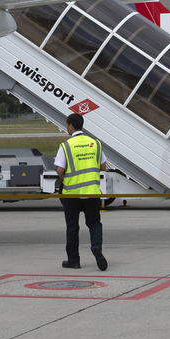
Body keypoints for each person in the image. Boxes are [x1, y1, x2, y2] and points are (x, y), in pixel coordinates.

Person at [54, 113, 107, 270]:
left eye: (67, 125)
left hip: (72, 194)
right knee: (94, 223)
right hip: (92, 192)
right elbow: (103, 167)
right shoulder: (95, 144)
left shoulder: (66, 146)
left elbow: (59, 170)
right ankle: (96, 247)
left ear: (71, 126)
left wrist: (66, 179)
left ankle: (74, 260)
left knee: (72, 227)